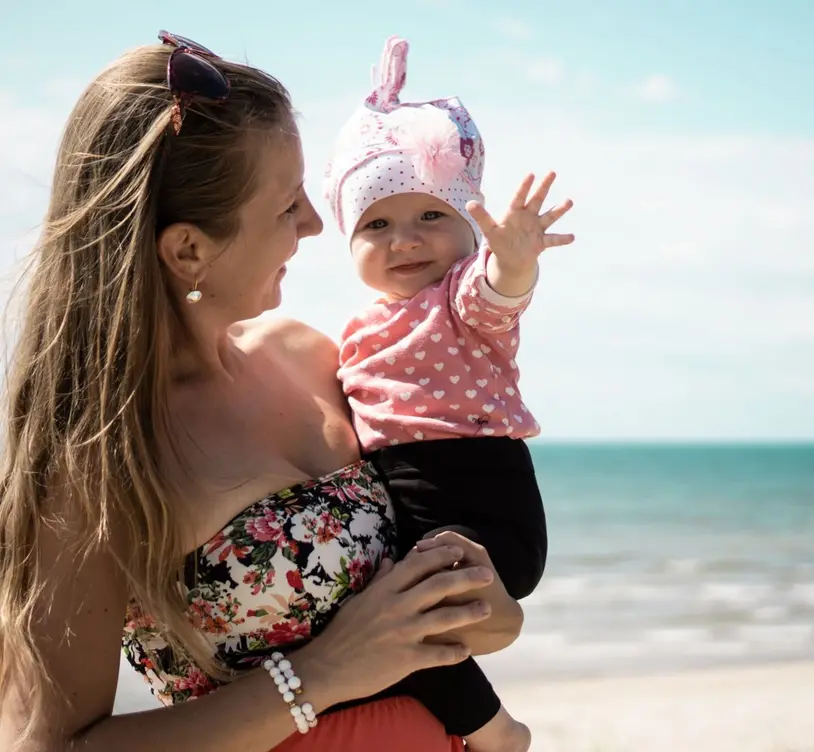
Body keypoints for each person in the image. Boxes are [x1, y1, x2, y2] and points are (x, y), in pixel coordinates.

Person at [0, 32, 526, 752]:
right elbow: (43, 744)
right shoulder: (101, 459)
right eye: (286, 206)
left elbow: (475, 619)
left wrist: (484, 603)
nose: (315, 223)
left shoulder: (311, 357)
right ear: (189, 250)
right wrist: (320, 674)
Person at [324, 36, 573, 749]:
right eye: (377, 224)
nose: (405, 240)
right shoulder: (355, 331)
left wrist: (514, 261)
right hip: (407, 505)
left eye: (431, 216)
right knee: (392, 629)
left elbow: (499, 295)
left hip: (485, 499)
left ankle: (494, 729)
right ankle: (497, 730)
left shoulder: (459, 298)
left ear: (468, 227)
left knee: (416, 602)